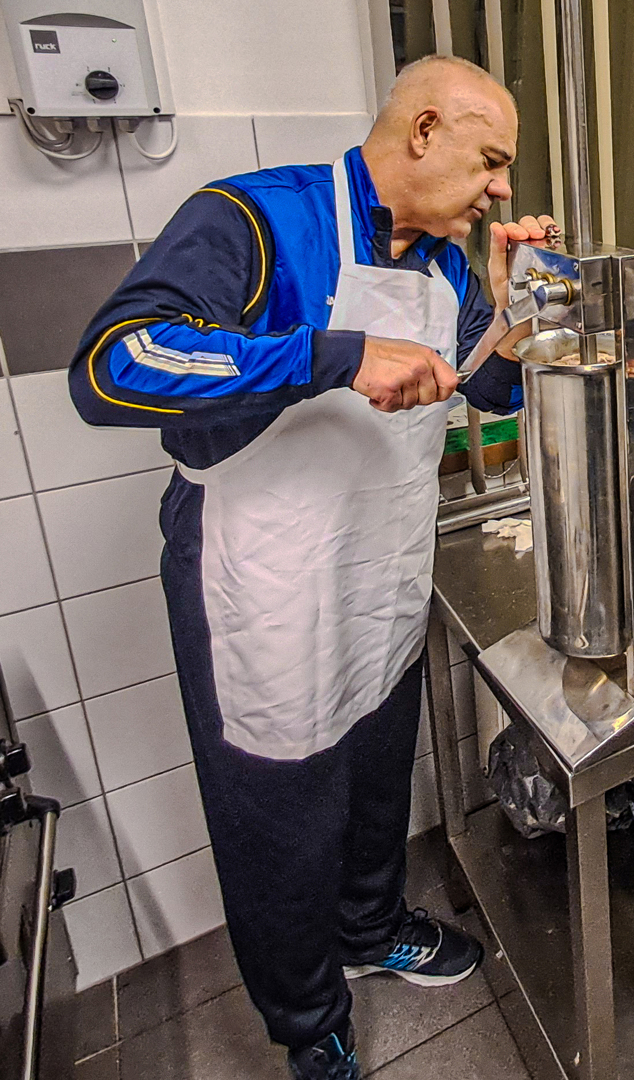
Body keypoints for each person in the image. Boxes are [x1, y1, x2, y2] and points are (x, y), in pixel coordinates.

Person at [68, 56, 548, 1080]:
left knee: (376, 775)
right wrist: (335, 354)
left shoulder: (447, 264)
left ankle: (370, 929)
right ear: (424, 130)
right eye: (491, 160)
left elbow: (487, 391)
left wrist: (512, 316)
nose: (503, 187)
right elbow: (113, 363)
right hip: (263, 576)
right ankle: (307, 1019)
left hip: (378, 567)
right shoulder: (256, 220)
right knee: (278, 818)